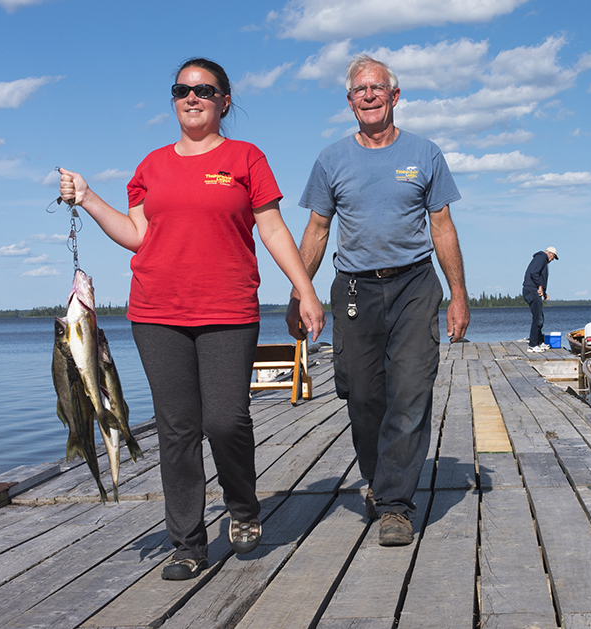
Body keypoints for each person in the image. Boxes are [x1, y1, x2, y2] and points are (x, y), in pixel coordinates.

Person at [58, 57, 324, 581]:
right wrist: (88, 198)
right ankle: (187, 541)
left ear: (225, 101)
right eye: (182, 89)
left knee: (225, 420)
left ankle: (243, 508)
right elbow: (137, 234)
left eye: (204, 90)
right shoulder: (151, 166)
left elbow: (271, 229)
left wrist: (305, 288)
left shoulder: (245, 158)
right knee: (177, 429)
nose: (192, 97)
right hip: (156, 313)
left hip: (228, 309)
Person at [285, 54, 469, 547]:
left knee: (409, 394)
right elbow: (318, 231)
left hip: (413, 284)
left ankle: (394, 506)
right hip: (353, 290)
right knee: (363, 397)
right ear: (350, 102)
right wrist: (298, 291)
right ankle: (378, 480)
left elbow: (442, 227)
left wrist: (458, 296)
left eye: (377, 88)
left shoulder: (425, 153)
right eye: (359, 91)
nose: (368, 96)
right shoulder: (331, 159)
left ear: (394, 96)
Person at [522, 247, 558, 353]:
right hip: (532, 291)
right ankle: (532, 345)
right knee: (538, 319)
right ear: (550, 254)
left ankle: (538, 341)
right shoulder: (542, 258)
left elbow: (537, 275)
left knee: (539, 317)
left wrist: (544, 293)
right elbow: (534, 273)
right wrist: (540, 287)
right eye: (553, 257)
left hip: (533, 290)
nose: (552, 260)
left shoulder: (540, 259)